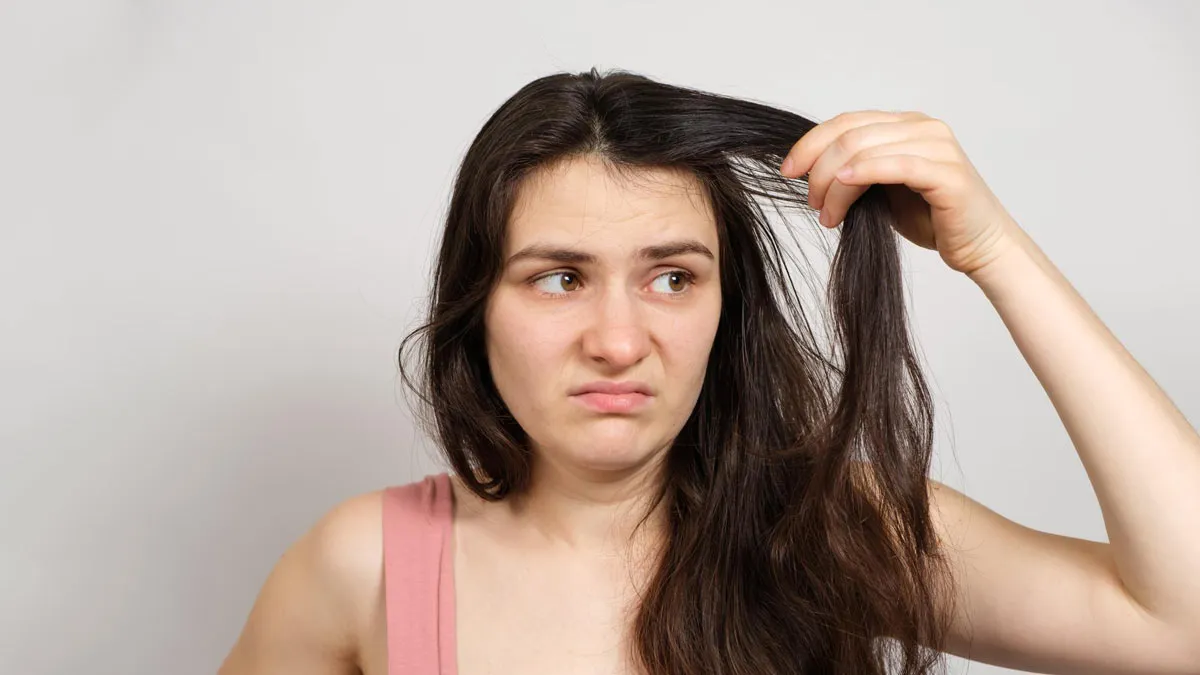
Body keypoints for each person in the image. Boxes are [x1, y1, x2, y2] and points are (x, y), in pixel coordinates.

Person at [217, 68, 1200, 675]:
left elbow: (1182, 628)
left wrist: (993, 250)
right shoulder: (365, 566)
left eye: (672, 278)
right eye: (560, 278)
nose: (618, 340)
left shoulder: (830, 529)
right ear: (479, 307)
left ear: (727, 310)